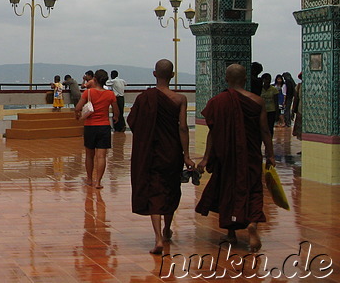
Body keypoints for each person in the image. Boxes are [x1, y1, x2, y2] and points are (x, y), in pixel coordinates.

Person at [195, 64, 275, 252]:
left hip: (226, 156)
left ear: (226, 79)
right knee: (254, 189)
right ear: (245, 79)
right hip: (251, 154)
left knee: (228, 191)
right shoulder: (257, 101)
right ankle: (253, 223)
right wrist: (270, 154)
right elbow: (264, 130)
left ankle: (231, 233)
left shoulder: (217, 101)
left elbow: (212, 132)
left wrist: (206, 158)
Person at [127, 59, 195, 254]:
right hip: (172, 151)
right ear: (172, 76)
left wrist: (147, 137)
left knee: (154, 191)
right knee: (170, 189)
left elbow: (133, 122)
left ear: (154, 74)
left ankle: (157, 238)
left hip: (151, 151)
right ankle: (166, 229)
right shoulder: (180, 99)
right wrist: (187, 155)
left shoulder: (144, 98)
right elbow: (183, 127)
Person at [74, 69, 119, 189]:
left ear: (94, 80)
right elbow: (116, 110)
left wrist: (77, 115)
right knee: (101, 156)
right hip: (104, 126)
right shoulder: (110, 94)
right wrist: (116, 117)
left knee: (89, 155)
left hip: (90, 126)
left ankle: (89, 179)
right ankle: (98, 182)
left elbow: (78, 107)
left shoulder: (88, 93)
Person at [259, 73, 278, 138]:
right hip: (262, 111)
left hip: (271, 111)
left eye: (269, 79)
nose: (268, 81)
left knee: (270, 127)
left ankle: (269, 141)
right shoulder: (259, 89)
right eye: (266, 79)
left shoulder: (274, 90)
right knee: (261, 127)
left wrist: (277, 114)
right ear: (263, 80)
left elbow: (276, 102)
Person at [292, 72, 303, 140]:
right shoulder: (298, 86)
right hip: (300, 110)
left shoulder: (299, 86)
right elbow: (296, 99)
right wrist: (293, 109)